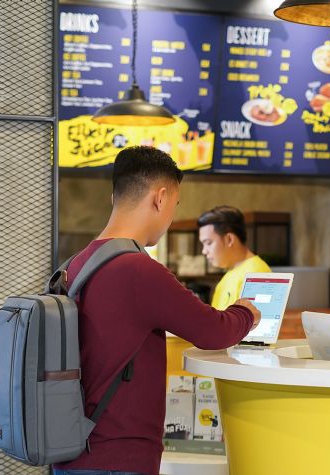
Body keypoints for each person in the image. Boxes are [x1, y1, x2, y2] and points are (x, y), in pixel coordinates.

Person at [53, 146, 260, 475]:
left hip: (72, 451)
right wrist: (248, 312)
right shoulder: (138, 270)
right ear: (160, 199)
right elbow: (214, 330)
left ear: (114, 197)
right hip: (117, 458)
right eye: (175, 205)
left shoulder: (75, 265)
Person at [197, 206, 272, 310]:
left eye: (208, 243)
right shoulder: (229, 275)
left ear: (229, 239)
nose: (204, 251)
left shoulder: (256, 274)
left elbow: (258, 319)